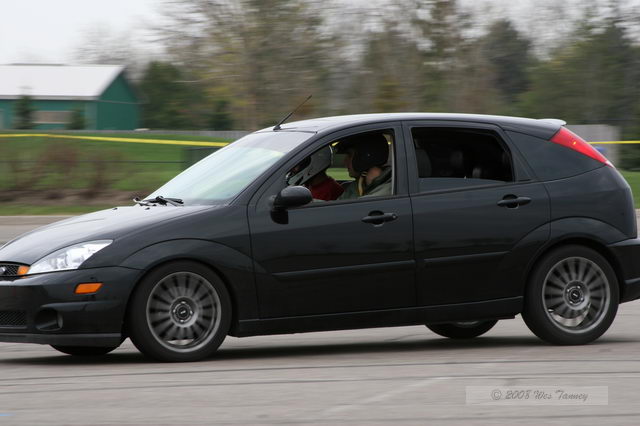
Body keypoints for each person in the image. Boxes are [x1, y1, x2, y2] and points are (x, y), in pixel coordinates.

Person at [338, 133, 392, 200]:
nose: (344, 162)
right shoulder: (357, 185)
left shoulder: (387, 191)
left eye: (349, 155)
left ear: (364, 157)